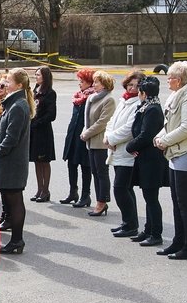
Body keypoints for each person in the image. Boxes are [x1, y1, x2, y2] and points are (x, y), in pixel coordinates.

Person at [154, 61, 187, 259]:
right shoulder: (175, 96)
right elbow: (170, 123)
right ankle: (178, 241)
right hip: (175, 154)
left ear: (178, 81)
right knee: (177, 202)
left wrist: (165, 140)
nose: (167, 81)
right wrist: (160, 136)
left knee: (185, 204)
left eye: (169, 77)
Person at [0, 68, 34, 254]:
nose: (5, 84)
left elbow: (11, 138)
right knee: (11, 200)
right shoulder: (14, 103)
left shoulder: (18, 105)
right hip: (10, 161)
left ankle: (17, 240)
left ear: (19, 85)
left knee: (15, 200)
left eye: (8, 81)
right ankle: (16, 239)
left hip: (12, 162)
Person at [126, 77, 168, 247]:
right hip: (145, 158)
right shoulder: (147, 107)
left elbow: (146, 135)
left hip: (152, 161)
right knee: (148, 196)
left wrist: (130, 146)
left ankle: (155, 233)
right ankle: (148, 229)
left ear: (144, 93)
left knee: (151, 197)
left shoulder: (152, 109)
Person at [105, 71, 144, 237]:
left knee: (121, 189)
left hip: (127, 152)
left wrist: (112, 139)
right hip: (115, 149)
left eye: (137, 85)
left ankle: (131, 225)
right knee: (126, 189)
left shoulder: (138, 104)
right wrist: (108, 137)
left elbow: (129, 129)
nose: (133, 88)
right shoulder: (123, 100)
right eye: (130, 84)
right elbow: (112, 121)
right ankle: (128, 222)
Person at [81, 70, 116, 217]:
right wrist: (85, 130)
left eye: (97, 82)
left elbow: (102, 122)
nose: (94, 84)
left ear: (105, 84)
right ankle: (99, 200)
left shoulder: (109, 100)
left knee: (101, 173)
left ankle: (102, 201)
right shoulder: (92, 98)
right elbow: (87, 119)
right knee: (95, 172)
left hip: (100, 142)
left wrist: (87, 133)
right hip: (91, 142)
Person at [61, 68, 95, 207]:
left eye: (82, 81)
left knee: (85, 166)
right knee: (71, 163)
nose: (79, 84)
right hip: (73, 133)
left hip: (84, 134)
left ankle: (85, 195)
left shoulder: (92, 97)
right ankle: (72, 191)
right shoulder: (78, 96)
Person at [29, 67, 57, 202]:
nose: (36, 77)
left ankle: (46, 190)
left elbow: (51, 115)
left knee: (44, 161)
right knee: (36, 161)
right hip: (34, 132)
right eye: (35, 75)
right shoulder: (34, 91)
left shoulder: (50, 93)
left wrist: (37, 122)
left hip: (43, 132)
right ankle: (39, 189)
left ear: (45, 77)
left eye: (38, 75)